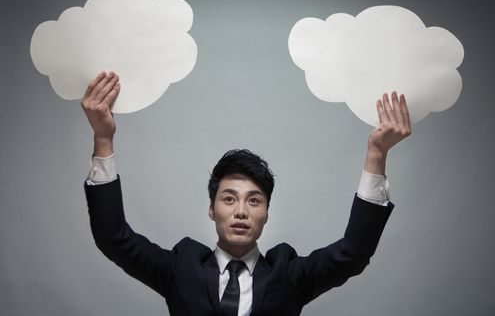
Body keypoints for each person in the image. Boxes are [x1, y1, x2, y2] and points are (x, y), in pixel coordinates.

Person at [82, 71, 411, 316]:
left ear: (267, 212)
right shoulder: (180, 269)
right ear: (211, 209)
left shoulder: (290, 274)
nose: (241, 211)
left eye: (254, 200)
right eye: (229, 199)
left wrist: (377, 154)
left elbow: (354, 253)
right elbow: (113, 237)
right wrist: (103, 138)